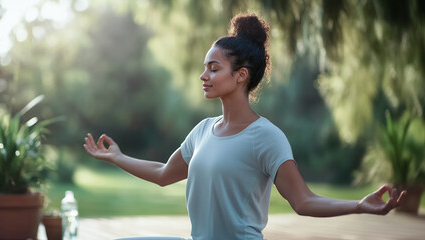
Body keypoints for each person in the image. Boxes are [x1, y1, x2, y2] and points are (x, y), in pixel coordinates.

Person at [83, 12, 406, 240]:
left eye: (213, 68)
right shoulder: (202, 131)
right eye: (204, 68)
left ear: (240, 76)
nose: (203, 76)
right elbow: (163, 173)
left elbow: (303, 201)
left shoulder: (266, 137)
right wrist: (117, 157)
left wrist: (359, 205)